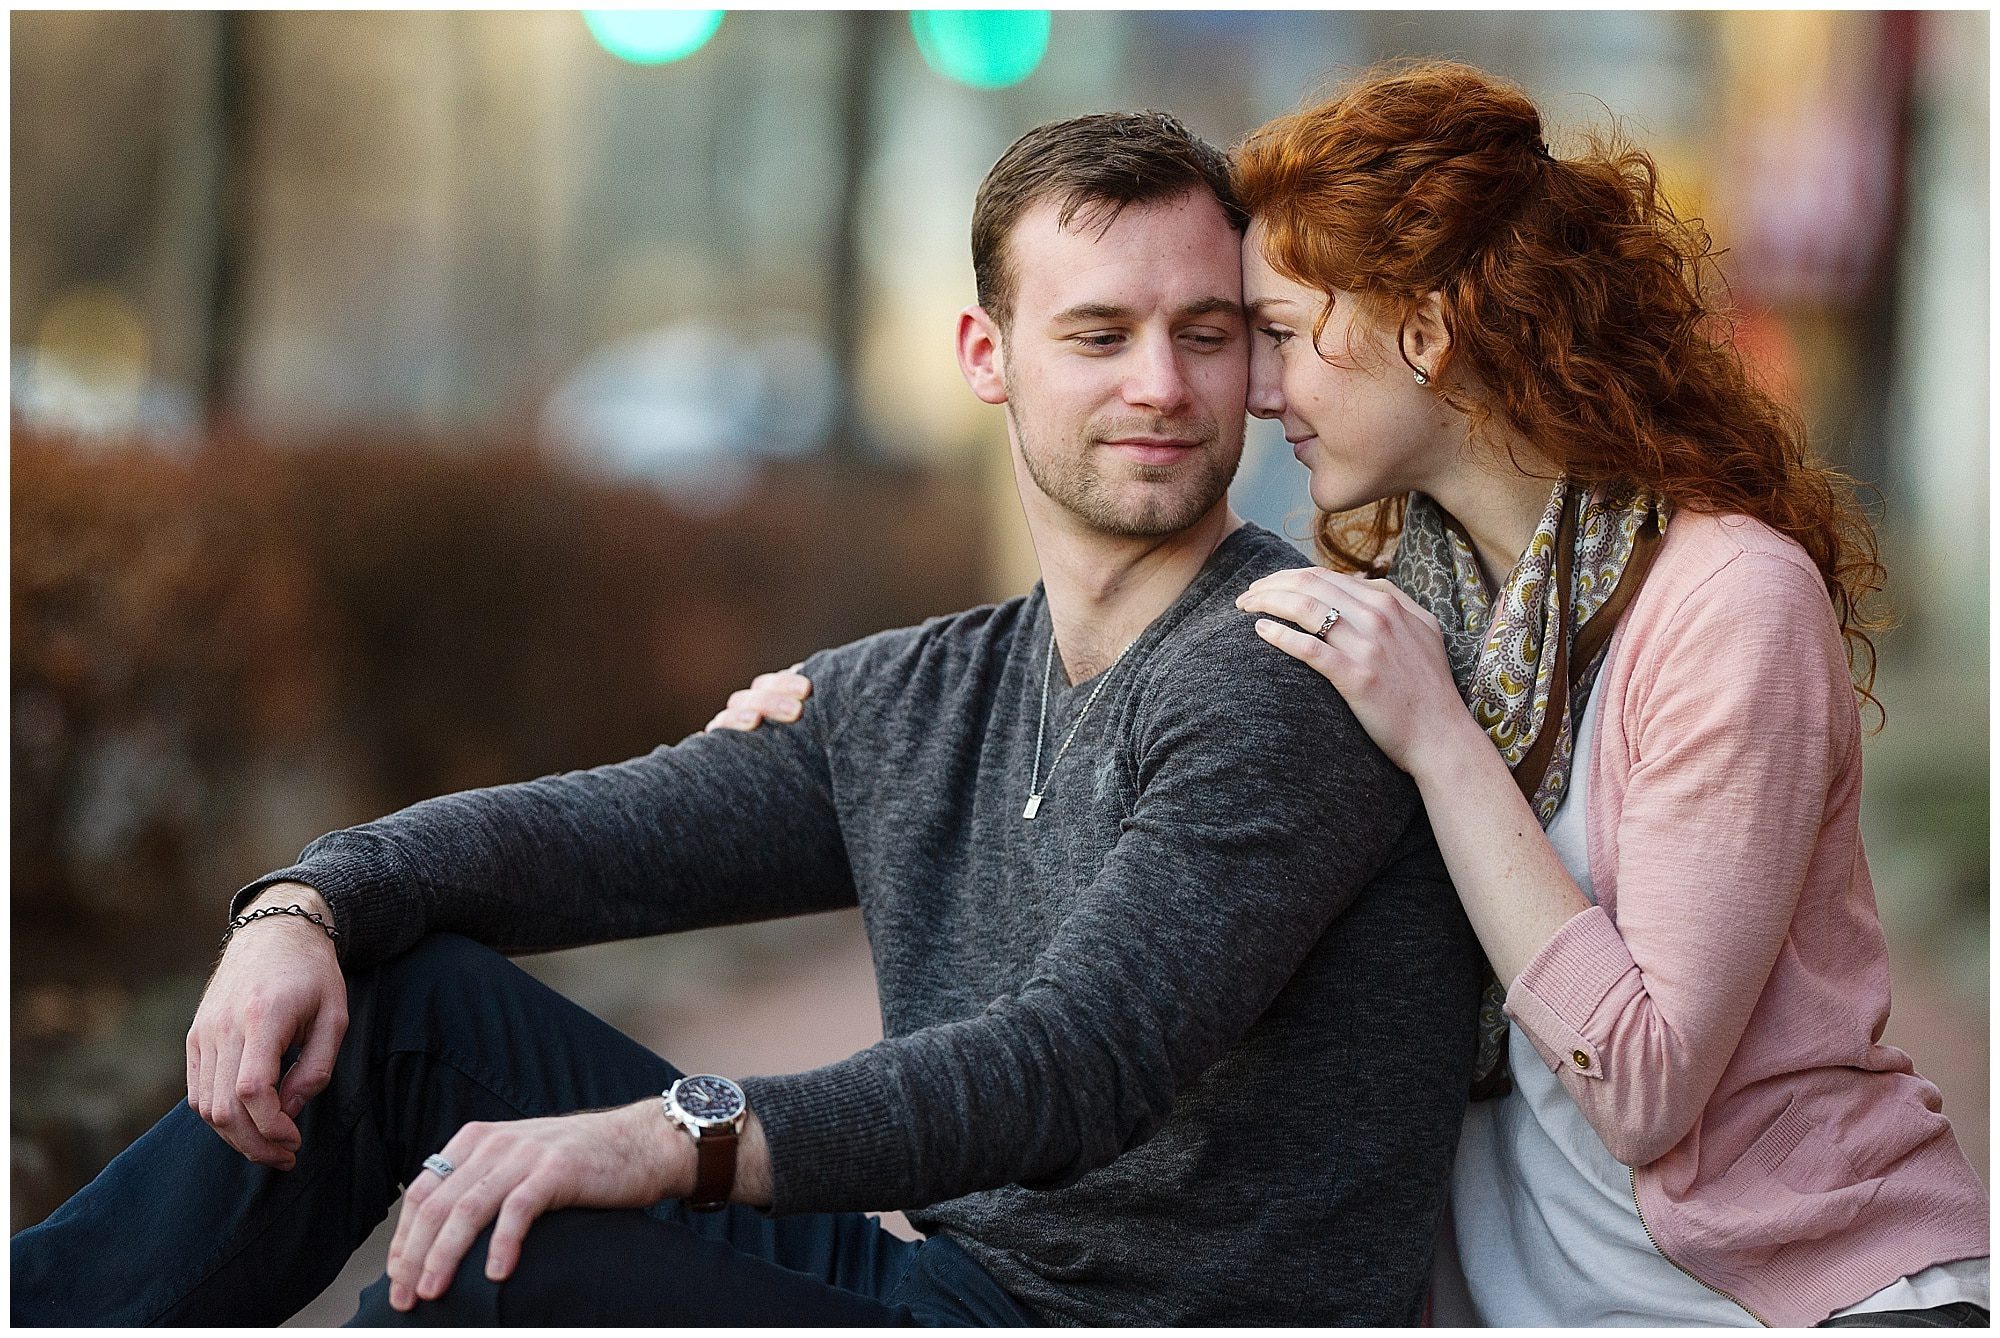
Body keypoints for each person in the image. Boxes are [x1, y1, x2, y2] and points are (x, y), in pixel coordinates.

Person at [11, 110, 1483, 1327]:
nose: (1159, 385)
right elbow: (587, 839)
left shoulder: (1286, 670)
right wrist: (307, 903)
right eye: (1098, 334)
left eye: (1205, 333)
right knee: (409, 1017)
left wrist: (666, 1138)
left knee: (503, 1251)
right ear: (989, 357)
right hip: (946, 1286)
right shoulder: (929, 689)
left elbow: (1071, 1063)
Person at [1223, 61, 1989, 1327]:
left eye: (1284, 336)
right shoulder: (1427, 611)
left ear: (1425, 329)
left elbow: (1641, 1085)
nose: (1260, 391)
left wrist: (1437, 739)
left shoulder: (1726, 603)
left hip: (1804, 1304)